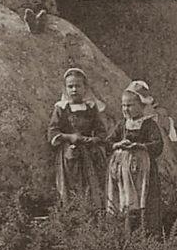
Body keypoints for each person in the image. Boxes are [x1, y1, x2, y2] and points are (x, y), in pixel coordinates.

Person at [107, 80, 164, 233]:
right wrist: (118, 144)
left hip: (144, 171)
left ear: (142, 106)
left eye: (130, 105)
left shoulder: (148, 124)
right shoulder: (122, 125)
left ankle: (146, 233)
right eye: (123, 105)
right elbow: (108, 142)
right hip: (123, 172)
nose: (126, 109)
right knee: (125, 201)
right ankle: (125, 233)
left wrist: (140, 147)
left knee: (144, 199)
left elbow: (158, 145)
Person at [47, 68, 108, 208]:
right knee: (71, 185)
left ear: (85, 88)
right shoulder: (61, 108)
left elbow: (101, 131)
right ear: (65, 88)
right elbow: (52, 131)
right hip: (69, 153)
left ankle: (92, 215)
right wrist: (69, 137)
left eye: (78, 86)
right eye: (70, 86)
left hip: (89, 154)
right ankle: (72, 213)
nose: (74, 89)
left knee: (91, 185)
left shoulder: (91, 108)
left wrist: (94, 140)